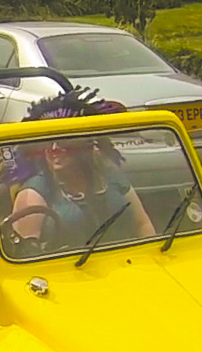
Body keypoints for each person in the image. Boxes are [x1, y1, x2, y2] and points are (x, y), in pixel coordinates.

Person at [8, 88, 155, 249]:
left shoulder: (111, 177)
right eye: (47, 143)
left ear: (85, 144)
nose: (54, 148)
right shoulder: (34, 193)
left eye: (64, 141)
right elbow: (25, 254)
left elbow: (143, 225)